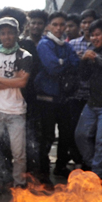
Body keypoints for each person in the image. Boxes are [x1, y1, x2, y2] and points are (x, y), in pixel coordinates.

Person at [0, 17, 32, 190]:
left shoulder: (25, 56)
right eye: (3, 33)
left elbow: (22, 83)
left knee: (19, 154)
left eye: (10, 33)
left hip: (17, 111)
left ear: (18, 34)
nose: (7, 36)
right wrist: (11, 79)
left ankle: (19, 185)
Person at [33, 11, 80, 182]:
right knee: (47, 136)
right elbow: (52, 67)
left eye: (62, 25)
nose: (59, 28)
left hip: (63, 98)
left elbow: (76, 64)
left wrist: (61, 62)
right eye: (55, 25)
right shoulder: (44, 44)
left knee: (66, 134)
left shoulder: (66, 46)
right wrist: (64, 62)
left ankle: (60, 167)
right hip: (47, 98)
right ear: (48, 27)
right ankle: (43, 171)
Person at [74, 19, 102, 180]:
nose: (94, 38)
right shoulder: (90, 49)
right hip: (91, 102)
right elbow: (83, 77)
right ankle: (94, 166)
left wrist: (95, 58)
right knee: (80, 135)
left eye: (98, 35)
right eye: (92, 35)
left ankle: (97, 175)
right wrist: (84, 60)